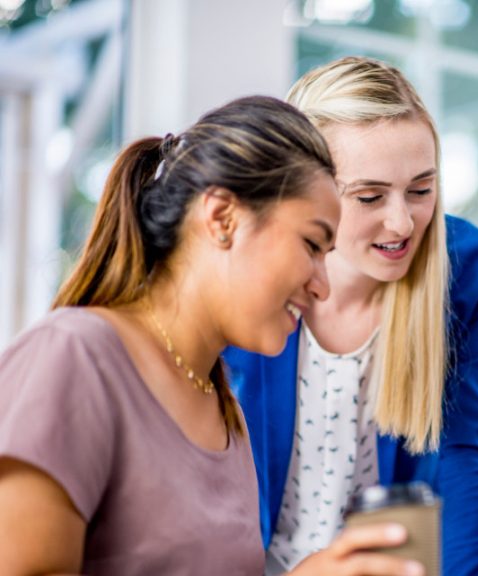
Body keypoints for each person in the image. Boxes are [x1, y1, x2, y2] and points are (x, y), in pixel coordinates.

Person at [0, 96, 428, 576]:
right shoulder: (75, 357)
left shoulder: (225, 412)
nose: (321, 285)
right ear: (223, 217)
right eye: (311, 244)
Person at [223, 57, 478, 575]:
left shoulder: (472, 275)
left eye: (421, 190)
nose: (402, 222)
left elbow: (468, 462)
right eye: (370, 196)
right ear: (303, 189)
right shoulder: (241, 283)